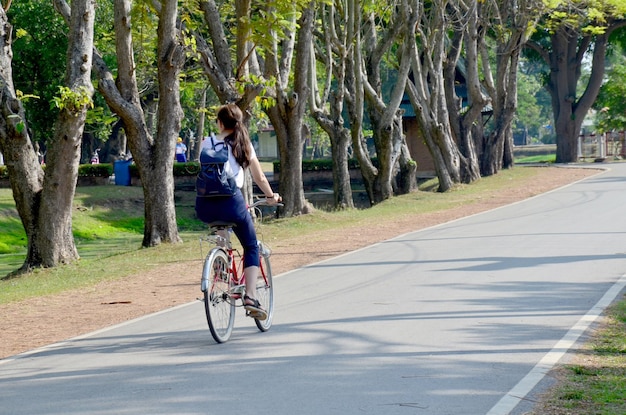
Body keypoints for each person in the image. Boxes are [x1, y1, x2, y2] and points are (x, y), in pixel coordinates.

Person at [195, 104, 281, 320]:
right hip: (232, 203)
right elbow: (260, 178)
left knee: (220, 227)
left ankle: (222, 267)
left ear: (220, 123)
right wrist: (271, 196)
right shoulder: (244, 145)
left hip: (204, 205)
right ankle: (250, 297)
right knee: (251, 246)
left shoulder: (207, 142)